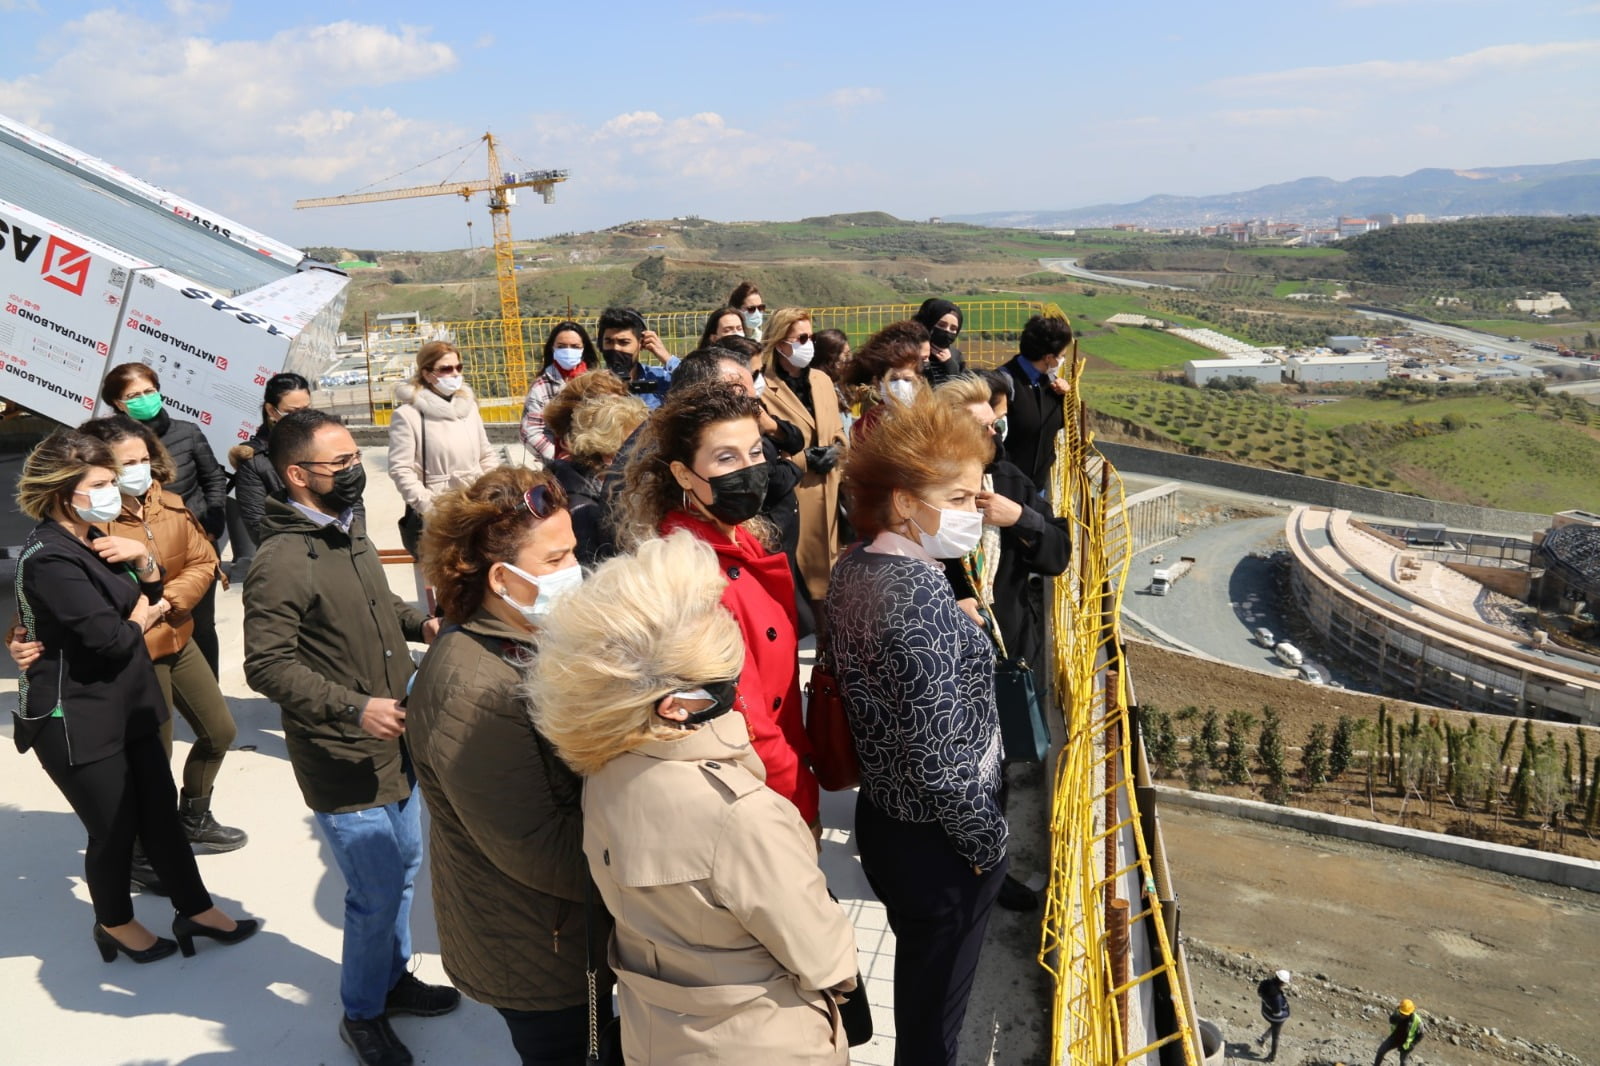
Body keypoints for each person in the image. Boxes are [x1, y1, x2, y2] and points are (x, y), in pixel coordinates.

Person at [527, 532, 859, 1065]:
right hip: (762, 1042)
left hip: (653, 1031)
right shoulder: (741, 814)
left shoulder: (603, 767)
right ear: (675, 705)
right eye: (723, 677)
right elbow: (822, 956)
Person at [243, 410, 456, 1066]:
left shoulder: (348, 530)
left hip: (395, 743)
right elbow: (266, 665)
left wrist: (423, 622)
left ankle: (391, 979)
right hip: (344, 755)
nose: (355, 471)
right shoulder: (280, 561)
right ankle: (361, 1013)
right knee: (374, 891)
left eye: (354, 457)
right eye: (339, 464)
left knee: (404, 873)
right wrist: (354, 707)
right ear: (296, 475)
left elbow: (377, 605)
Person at [12, 429, 257, 966]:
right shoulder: (49, 556)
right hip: (76, 716)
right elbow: (113, 636)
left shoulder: (98, 539)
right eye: (100, 483)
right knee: (114, 830)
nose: (112, 491)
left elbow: (141, 600)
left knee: (160, 816)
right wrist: (143, 615)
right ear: (61, 493)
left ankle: (194, 908)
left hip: (130, 702)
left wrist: (145, 563)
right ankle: (115, 923)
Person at [824, 392, 1007, 1066]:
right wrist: (990, 845)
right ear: (904, 503)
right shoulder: (918, 598)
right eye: (958, 499)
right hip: (940, 845)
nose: (972, 512)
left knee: (923, 986)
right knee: (935, 1024)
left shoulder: (860, 566)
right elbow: (938, 762)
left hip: (889, 819)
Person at [407, 468, 596, 1066]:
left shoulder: (523, 639)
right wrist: (642, 877)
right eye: (557, 558)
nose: (575, 572)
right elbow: (537, 845)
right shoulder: (473, 687)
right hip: (540, 949)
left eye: (574, 553)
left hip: (560, 930)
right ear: (501, 578)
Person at [614, 381, 820, 827]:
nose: (750, 469)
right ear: (685, 475)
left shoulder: (740, 536)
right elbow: (747, 719)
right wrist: (800, 799)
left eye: (755, 453)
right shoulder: (690, 571)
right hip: (760, 788)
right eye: (726, 458)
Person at [935, 376, 1070, 912]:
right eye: (982, 425)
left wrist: (1022, 520)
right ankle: (955, 861)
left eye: (994, 423)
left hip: (1008, 652)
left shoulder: (1009, 481)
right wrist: (953, 601)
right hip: (945, 659)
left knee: (997, 770)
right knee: (951, 765)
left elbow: (1057, 553)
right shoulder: (923, 489)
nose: (995, 430)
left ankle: (989, 870)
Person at [101, 362, 228, 676]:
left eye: (150, 391)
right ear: (118, 403)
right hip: (137, 552)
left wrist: (211, 527)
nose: (146, 398)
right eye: (135, 395)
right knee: (148, 625)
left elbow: (214, 479)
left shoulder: (187, 432)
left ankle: (206, 686)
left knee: (201, 624)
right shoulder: (104, 444)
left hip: (192, 546)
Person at [757, 308, 848, 611]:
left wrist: (837, 449)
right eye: (802, 338)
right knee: (800, 590)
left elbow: (837, 429)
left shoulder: (821, 380)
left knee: (831, 584)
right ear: (781, 343)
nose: (809, 344)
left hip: (830, 494)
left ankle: (827, 648)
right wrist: (802, 460)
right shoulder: (763, 387)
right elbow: (765, 446)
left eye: (810, 336)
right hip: (794, 498)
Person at [387, 341, 500, 550]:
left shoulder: (469, 407)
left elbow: (486, 453)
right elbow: (400, 468)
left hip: (478, 503)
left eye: (459, 367)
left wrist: (493, 490)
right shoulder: (408, 415)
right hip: (439, 509)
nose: (455, 374)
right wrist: (429, 507)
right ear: (428, 373)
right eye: (446, 369)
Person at [550, 392, 647, 566]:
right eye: (632, 450)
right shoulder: (581, 509)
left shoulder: (599, 485)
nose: (641, 457)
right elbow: (593, 569)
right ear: (607, 454)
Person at [230, 371, 313, 557]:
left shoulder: (326, 441)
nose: (302, 417)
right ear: (271, 410)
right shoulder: (254, 461)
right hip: (290, 558)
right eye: (292, 412)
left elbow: (352, 498)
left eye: (306, 409)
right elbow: (257, 525)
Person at [998, 314, 1074, 491]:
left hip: (1036, 487)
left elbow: (1059, 423)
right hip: (1005, 488)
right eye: (1062, 355)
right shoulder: (1003, 384)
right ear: (1048, 358)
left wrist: (1066, 398)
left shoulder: (1050, 383)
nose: (1063, 360)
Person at [520, 321, 598, 460]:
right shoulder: (542, 387)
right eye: (562, 346)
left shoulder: (597, 382)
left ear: (583, 349)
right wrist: (558, 457)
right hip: (559, 466)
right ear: (553, 348)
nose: (568, 351)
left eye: (575, 347)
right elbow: (530, 432)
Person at [844, 320, 931, 445]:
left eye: (907, 380)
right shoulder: (864, 426)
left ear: (919, 380)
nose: (900, 386)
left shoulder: (932, 419)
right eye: (893, 379)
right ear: (878, 383)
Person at [597, 306, 675, 410]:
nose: (615, 348)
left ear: (641, 343)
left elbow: (698, 384)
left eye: (624, 342)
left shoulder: (659, 378)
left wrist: (667, 358)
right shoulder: (591, 384)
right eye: (609, 342)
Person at [913, 298, 967, 384]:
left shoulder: (955, 355)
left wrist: (950, 365)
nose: (946, 331)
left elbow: (962, 389)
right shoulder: (909, 350)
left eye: (953, 328)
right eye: (941, 325)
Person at [1374, 999, 1425, 1066]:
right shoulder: (1397, 1013)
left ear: (1410, 1012)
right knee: (1381, 1051)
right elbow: (1391, 1020)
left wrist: (1412, 1044)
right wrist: (1397, 1016)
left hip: (1407, 1043)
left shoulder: (1417, 1021)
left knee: (1404, 1062)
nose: (1402, 1015)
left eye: (1404, 1014)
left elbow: (1421, 1035)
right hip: (1395, 1038)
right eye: (1401, 1013)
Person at [1256, 969, 1292, 1062]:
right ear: (1282, 982)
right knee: (1276, 1036)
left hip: (1265, 1011)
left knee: (1275, 1026)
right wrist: (1287, 1013)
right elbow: (1277, 1013)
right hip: (1273, 1017)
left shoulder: (1266, 983)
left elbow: (1259, 993)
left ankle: (1262, 1039)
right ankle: (1272, 1057)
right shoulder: (1277, 997)